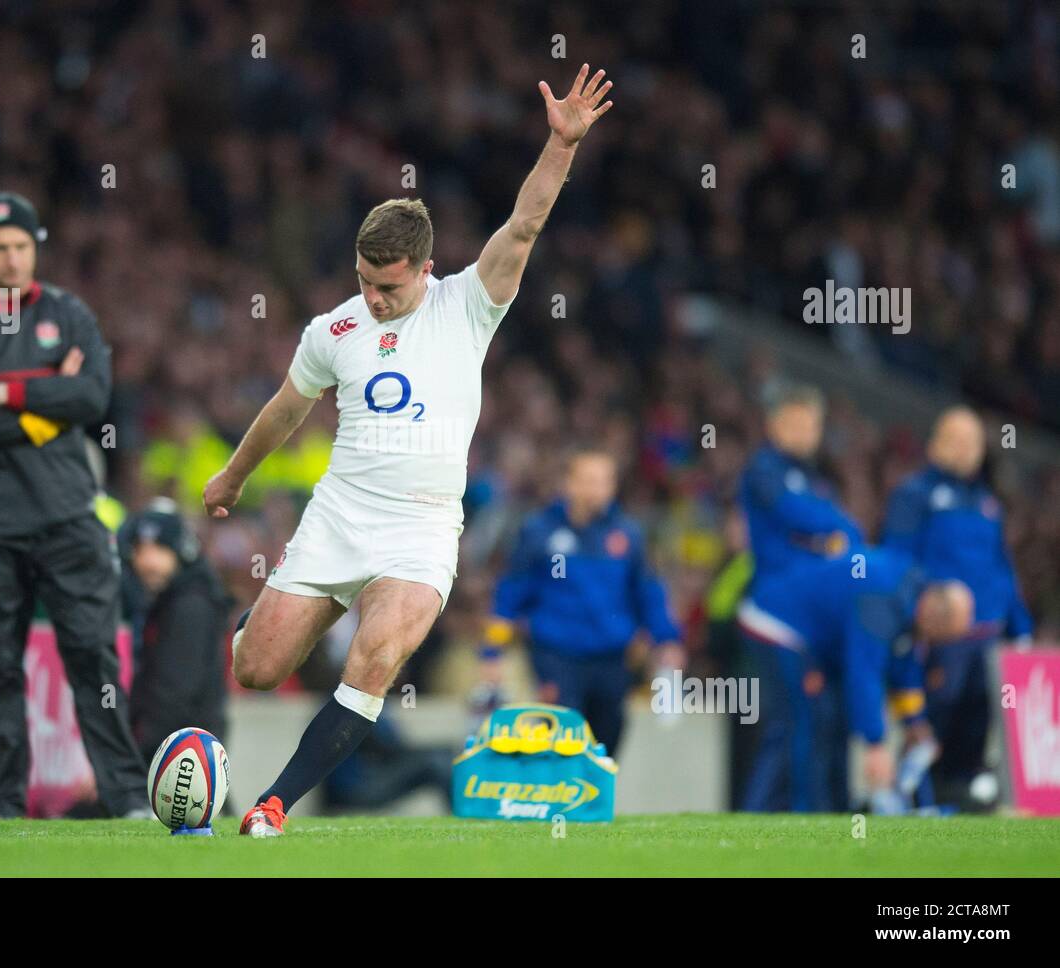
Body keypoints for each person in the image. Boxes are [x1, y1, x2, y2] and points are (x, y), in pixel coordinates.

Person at [203, 65, 615, 836]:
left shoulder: (468, 303)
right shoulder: (334, 330)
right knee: (255, 670)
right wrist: (232, 475)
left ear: (426, 269)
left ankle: (273, 805)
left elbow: (524, 225)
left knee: (377, 655)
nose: (373, 298)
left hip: (423, 528)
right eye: (364, 282)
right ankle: (243, 623)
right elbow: (286, 410)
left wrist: (561, 146)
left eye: (388, 286)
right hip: (341, 513)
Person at [0, 191, 148, 819]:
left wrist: (6, 391)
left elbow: (93, 398)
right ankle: (0, 805)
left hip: (67, 515)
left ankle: (126, 795)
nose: (12, 257)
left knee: (93, 654)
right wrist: (50, 399)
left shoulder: (69, 313)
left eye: (21, 245)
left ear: (35, 247)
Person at [736, 546, 973, 812]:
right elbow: (864, 672)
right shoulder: (881, 601)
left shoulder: (910, 596)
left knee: (833, 722)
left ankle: (833, 810)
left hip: (816, 640)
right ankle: (787, 810)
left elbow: (903, 662)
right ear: (933, 618)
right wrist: (875, 743)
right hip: (777, 622)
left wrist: (914, 721)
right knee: (803, 722)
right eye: (940, 637)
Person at [482, 448, 682, 757]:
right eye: (589, 481)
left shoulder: (626, 535)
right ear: (569, 484)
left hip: (613, 657)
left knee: (607, 740)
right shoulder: (539, 532)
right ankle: (560, 803)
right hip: (557, 655)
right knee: (563, 735)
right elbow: (510, 595)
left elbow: (648, 592)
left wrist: (667, 639)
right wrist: (491, 651)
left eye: (604, 482)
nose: (597, 490)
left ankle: (594, 804)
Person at [881, 406, 1033, 809]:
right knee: (931, 726)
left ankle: (962, 806)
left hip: (986, 639)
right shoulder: (914, 494)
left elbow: (1002, 568)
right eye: (956, 439)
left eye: (973, 442)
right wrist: (914, 618)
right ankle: (913, 802)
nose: (966, 450)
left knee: (976, 728)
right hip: (942, 636)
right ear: (935, 444)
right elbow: (898, 560)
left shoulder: (986, 503)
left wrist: (1020, 628)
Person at [120, 498, 233, 763]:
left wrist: (129, 760)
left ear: (181, 551)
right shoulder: (169, 600)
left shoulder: (189, 606)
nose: (148, 561)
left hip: (178, 754)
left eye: (159, 548)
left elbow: (173, 695)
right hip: (184, 750)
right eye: (140, 549)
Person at [738, 382, 862, 598]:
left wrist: (839, 534)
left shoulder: (817, 479)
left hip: (809, 589)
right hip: (771, 586)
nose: (802, 433)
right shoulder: (764, 468)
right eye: (794, 424)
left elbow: (850, 533)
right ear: (773, 424)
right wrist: (832, 532)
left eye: (810, 426)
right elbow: (797, 514)